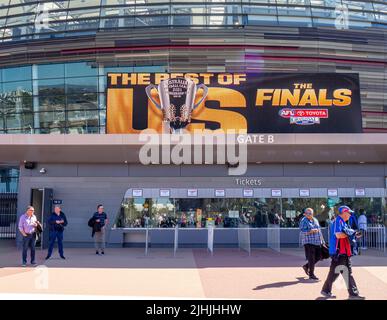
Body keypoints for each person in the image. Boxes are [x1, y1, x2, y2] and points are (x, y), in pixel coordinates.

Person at [321, 206, 364, 299]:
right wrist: (350, 233)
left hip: (344, 252)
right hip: (339, 252)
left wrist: (354, 234)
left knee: (341, 273)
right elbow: (338, 234)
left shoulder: (343, 222)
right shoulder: (338, 221)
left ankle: (327, 290)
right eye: (349, 213)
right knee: (339, 273)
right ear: (344, 212)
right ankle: (352, 294)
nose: (350, 215)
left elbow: (346, 234)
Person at [299, 208, 325, 280]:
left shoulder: (315, 220)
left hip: (317, 242)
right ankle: (311, 274)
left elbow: (319, 231)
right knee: (311, 258)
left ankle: (306, 266)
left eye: (310, 213)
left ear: (313, 214)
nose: (309, 214)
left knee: (319, 256)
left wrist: (322, 241)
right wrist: (311, 231)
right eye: (307, 213)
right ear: (304, 214)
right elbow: (302, 231)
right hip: (308, 242)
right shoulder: (303, 221)